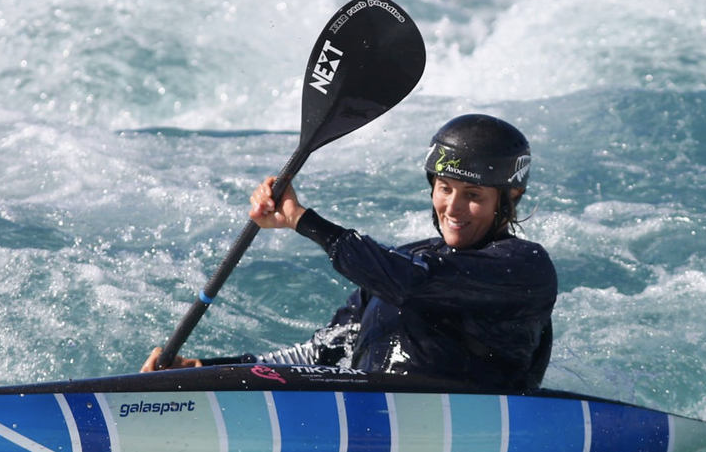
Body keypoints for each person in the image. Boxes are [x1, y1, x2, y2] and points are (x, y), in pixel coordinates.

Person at [142, 114, 558, 390]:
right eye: (444, 189)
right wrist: (208, 372)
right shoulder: (400, 263)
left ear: (510, 197)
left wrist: (301, 220)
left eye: (473, 195)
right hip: (370, 420)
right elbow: (319, 354)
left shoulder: (523, 268)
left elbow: (414, 285)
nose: (452, 207)